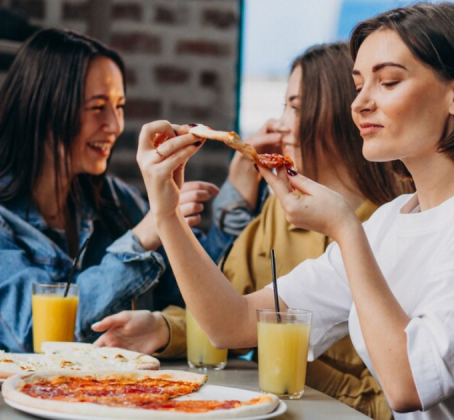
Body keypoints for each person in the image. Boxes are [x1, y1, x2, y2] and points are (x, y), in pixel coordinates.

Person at [132, 3, 454, 419]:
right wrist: (168, 214)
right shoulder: (391, 221)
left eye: (388, 82)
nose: (360, 102)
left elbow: (408, 383)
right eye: (358, 84)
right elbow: (229, 325)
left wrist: (344, 229)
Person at [91, 43, 409, 419]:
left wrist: (276, 357)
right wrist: (165, 328)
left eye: (295, 105)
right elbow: (231, 313)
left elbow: (397, 396)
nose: (280, 125)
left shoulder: (392, 226)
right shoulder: (277, 211)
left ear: (340, 111)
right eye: (283, 106)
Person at [0, 28, 234, 353]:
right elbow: (38, 333)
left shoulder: (114, 199)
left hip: (104, 398)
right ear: (45, 110)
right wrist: (148, 230)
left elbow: (212, 305)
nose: (116, 125)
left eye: (119, 106)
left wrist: (236, 200)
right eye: (97, 107)